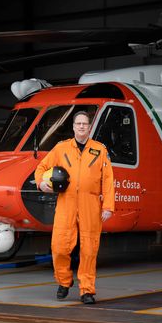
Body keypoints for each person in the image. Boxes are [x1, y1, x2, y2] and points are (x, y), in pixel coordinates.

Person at [34, 111, 114, 304]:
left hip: (91, 204)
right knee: (59, 247)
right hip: (66, 203)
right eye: (78, 123)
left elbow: (108, 179)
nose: (81, 127)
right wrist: (41, 183)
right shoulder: (61, 148)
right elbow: (41, 169)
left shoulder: (99, 150)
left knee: (89, 249)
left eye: (84, 124)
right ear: (73, 126)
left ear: (89, 127)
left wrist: (108, 206)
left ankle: (87, 290)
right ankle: (64, 281)